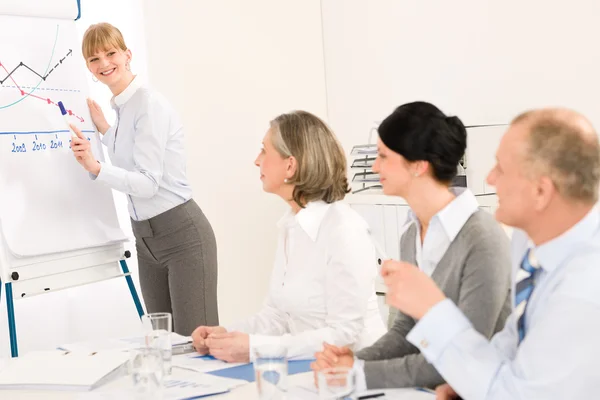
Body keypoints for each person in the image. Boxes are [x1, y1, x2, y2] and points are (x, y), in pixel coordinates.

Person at [383, 108, 600, 399]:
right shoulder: (529, 242)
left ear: (541, 191)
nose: (490, 177)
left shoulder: (583, 288)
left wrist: (433, 311)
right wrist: (468, 384)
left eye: (501, 168)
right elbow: (512, 343)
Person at [311, 101, 512, 391]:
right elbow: (408, 328)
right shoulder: (411, 232)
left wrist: (360, 374)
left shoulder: (482, 238)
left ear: (418, 165)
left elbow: (465, 355)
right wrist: (354, 362)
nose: (374, 165)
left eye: (383, 156)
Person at [190, 110, 386, 362]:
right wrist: (226, 334)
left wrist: (254, 348)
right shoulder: (290, 226)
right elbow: (278, 316)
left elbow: (344, 335)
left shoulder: (344, 229)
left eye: (264, 150)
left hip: (356, 372)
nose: (257, 161)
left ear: (290, 165)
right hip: (308, 369)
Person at [69, 23, 218, 335]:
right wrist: (106, 131)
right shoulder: (123, 108)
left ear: (127, 55)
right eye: (94, 59)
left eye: (110, 53)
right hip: (145, 240)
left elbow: (148, 182)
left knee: (197, 345)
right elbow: (133, 156)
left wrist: (96, 168)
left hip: (181, 234)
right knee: (163, 343)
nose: (104, 63)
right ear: (89, 68)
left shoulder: (148, 104)